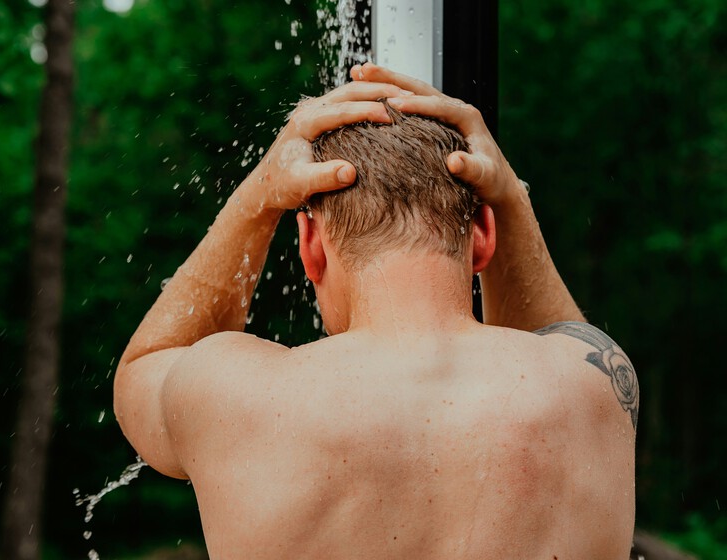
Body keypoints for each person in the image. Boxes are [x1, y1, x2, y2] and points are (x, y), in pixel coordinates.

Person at [113, 63, 638, 559]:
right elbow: (549, 342)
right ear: (482, 236)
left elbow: (146, 365)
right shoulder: (593, 385)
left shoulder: (235, 394)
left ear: (310, 246)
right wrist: (510, 198)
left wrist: (260, 195)